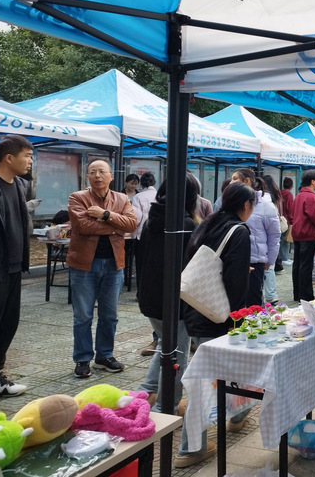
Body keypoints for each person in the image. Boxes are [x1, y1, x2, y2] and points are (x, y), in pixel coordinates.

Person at [176, 181, 254, 468]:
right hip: (219, 315)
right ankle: (191, 448)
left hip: (198, 308)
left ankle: (238, 414)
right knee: (205, 382)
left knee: (230, 369)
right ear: (246, 205)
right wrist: (236, 319)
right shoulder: (239, 231)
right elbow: (235, 283)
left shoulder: (209, 223)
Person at [67, 159, 137, 378]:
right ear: (88, 176)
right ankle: (82, 358)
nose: (97, 176)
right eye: (92, 172)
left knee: (109, 315)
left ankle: (104, 356)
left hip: (114, 264)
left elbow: (132, 224)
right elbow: (83, 226)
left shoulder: (122, 198)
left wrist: (105, 215)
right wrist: (116, 227)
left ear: (111, 176)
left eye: (101, 171)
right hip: (83, 265)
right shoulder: (77, 198)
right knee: (83, 315)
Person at [137, 174, 199, 412]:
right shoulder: (185, 225)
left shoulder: (152, 219)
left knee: (167, 344)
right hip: (175, 302)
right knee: (177, 354)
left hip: (150, 297)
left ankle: (146, 392)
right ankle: (165, 407)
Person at [0, 135, 33, 396]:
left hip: (14, 267)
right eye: (27, 156)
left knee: (7, 324)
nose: (30, 161)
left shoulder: (18, 185)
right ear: (9, 158)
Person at [230, 169, 280, 307]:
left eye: (235, 178)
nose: (231, 182)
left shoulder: (265, 205)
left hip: (255, 261)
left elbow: (274, 235)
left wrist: (270, 260)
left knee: (254, 302)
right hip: (234, 259)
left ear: (247, 181)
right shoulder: (233, 203)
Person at [130, 172, 158, 356]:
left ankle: (141, 293)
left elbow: (136, 218)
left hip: (142, 236)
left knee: (141, 267)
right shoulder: (159, 195)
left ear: (141, 183)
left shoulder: (138, 197)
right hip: (157, 237)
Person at [291, 170, 315, 302]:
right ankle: (306, 295)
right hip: (308, 233)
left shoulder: (299, 195)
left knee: (298, 264)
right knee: (306, 265)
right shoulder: (310, 196)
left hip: (297, 232)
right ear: (313, 181)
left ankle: (297, 294)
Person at [261, 174, 285, 303]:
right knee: (270, 266)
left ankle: (268, 295)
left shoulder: (263, 199)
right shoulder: (276, 196)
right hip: (273, 233)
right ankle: (271, 295)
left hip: (264, 235)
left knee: (266, 267)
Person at [278, 176, 295, 269]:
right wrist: (292, 220)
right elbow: (290, 208)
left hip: (280, 219)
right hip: (287, 220)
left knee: (281, 239)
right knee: (286, 239)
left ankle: (283, 257)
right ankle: (285, 258)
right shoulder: (289, 194)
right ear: (291, 185)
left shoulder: (280, 193)